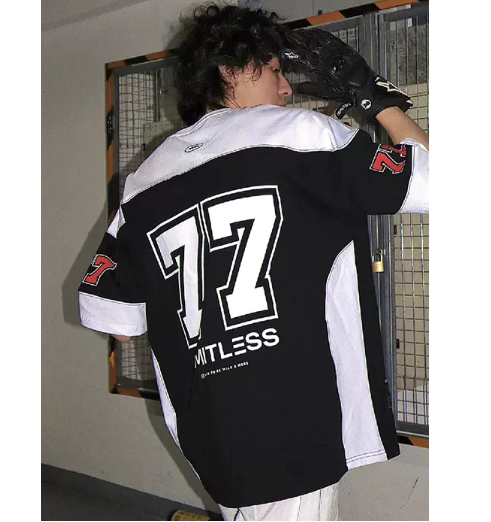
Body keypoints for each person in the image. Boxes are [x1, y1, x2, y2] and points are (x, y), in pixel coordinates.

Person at [78, 4, 429, 521]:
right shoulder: (300, 134)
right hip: (293, 422)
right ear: (231, 70)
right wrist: (376, 98)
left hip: (210, 434)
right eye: (274, 70)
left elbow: (117, 322)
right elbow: (434, 179)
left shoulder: (145, 179)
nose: (286, 88)